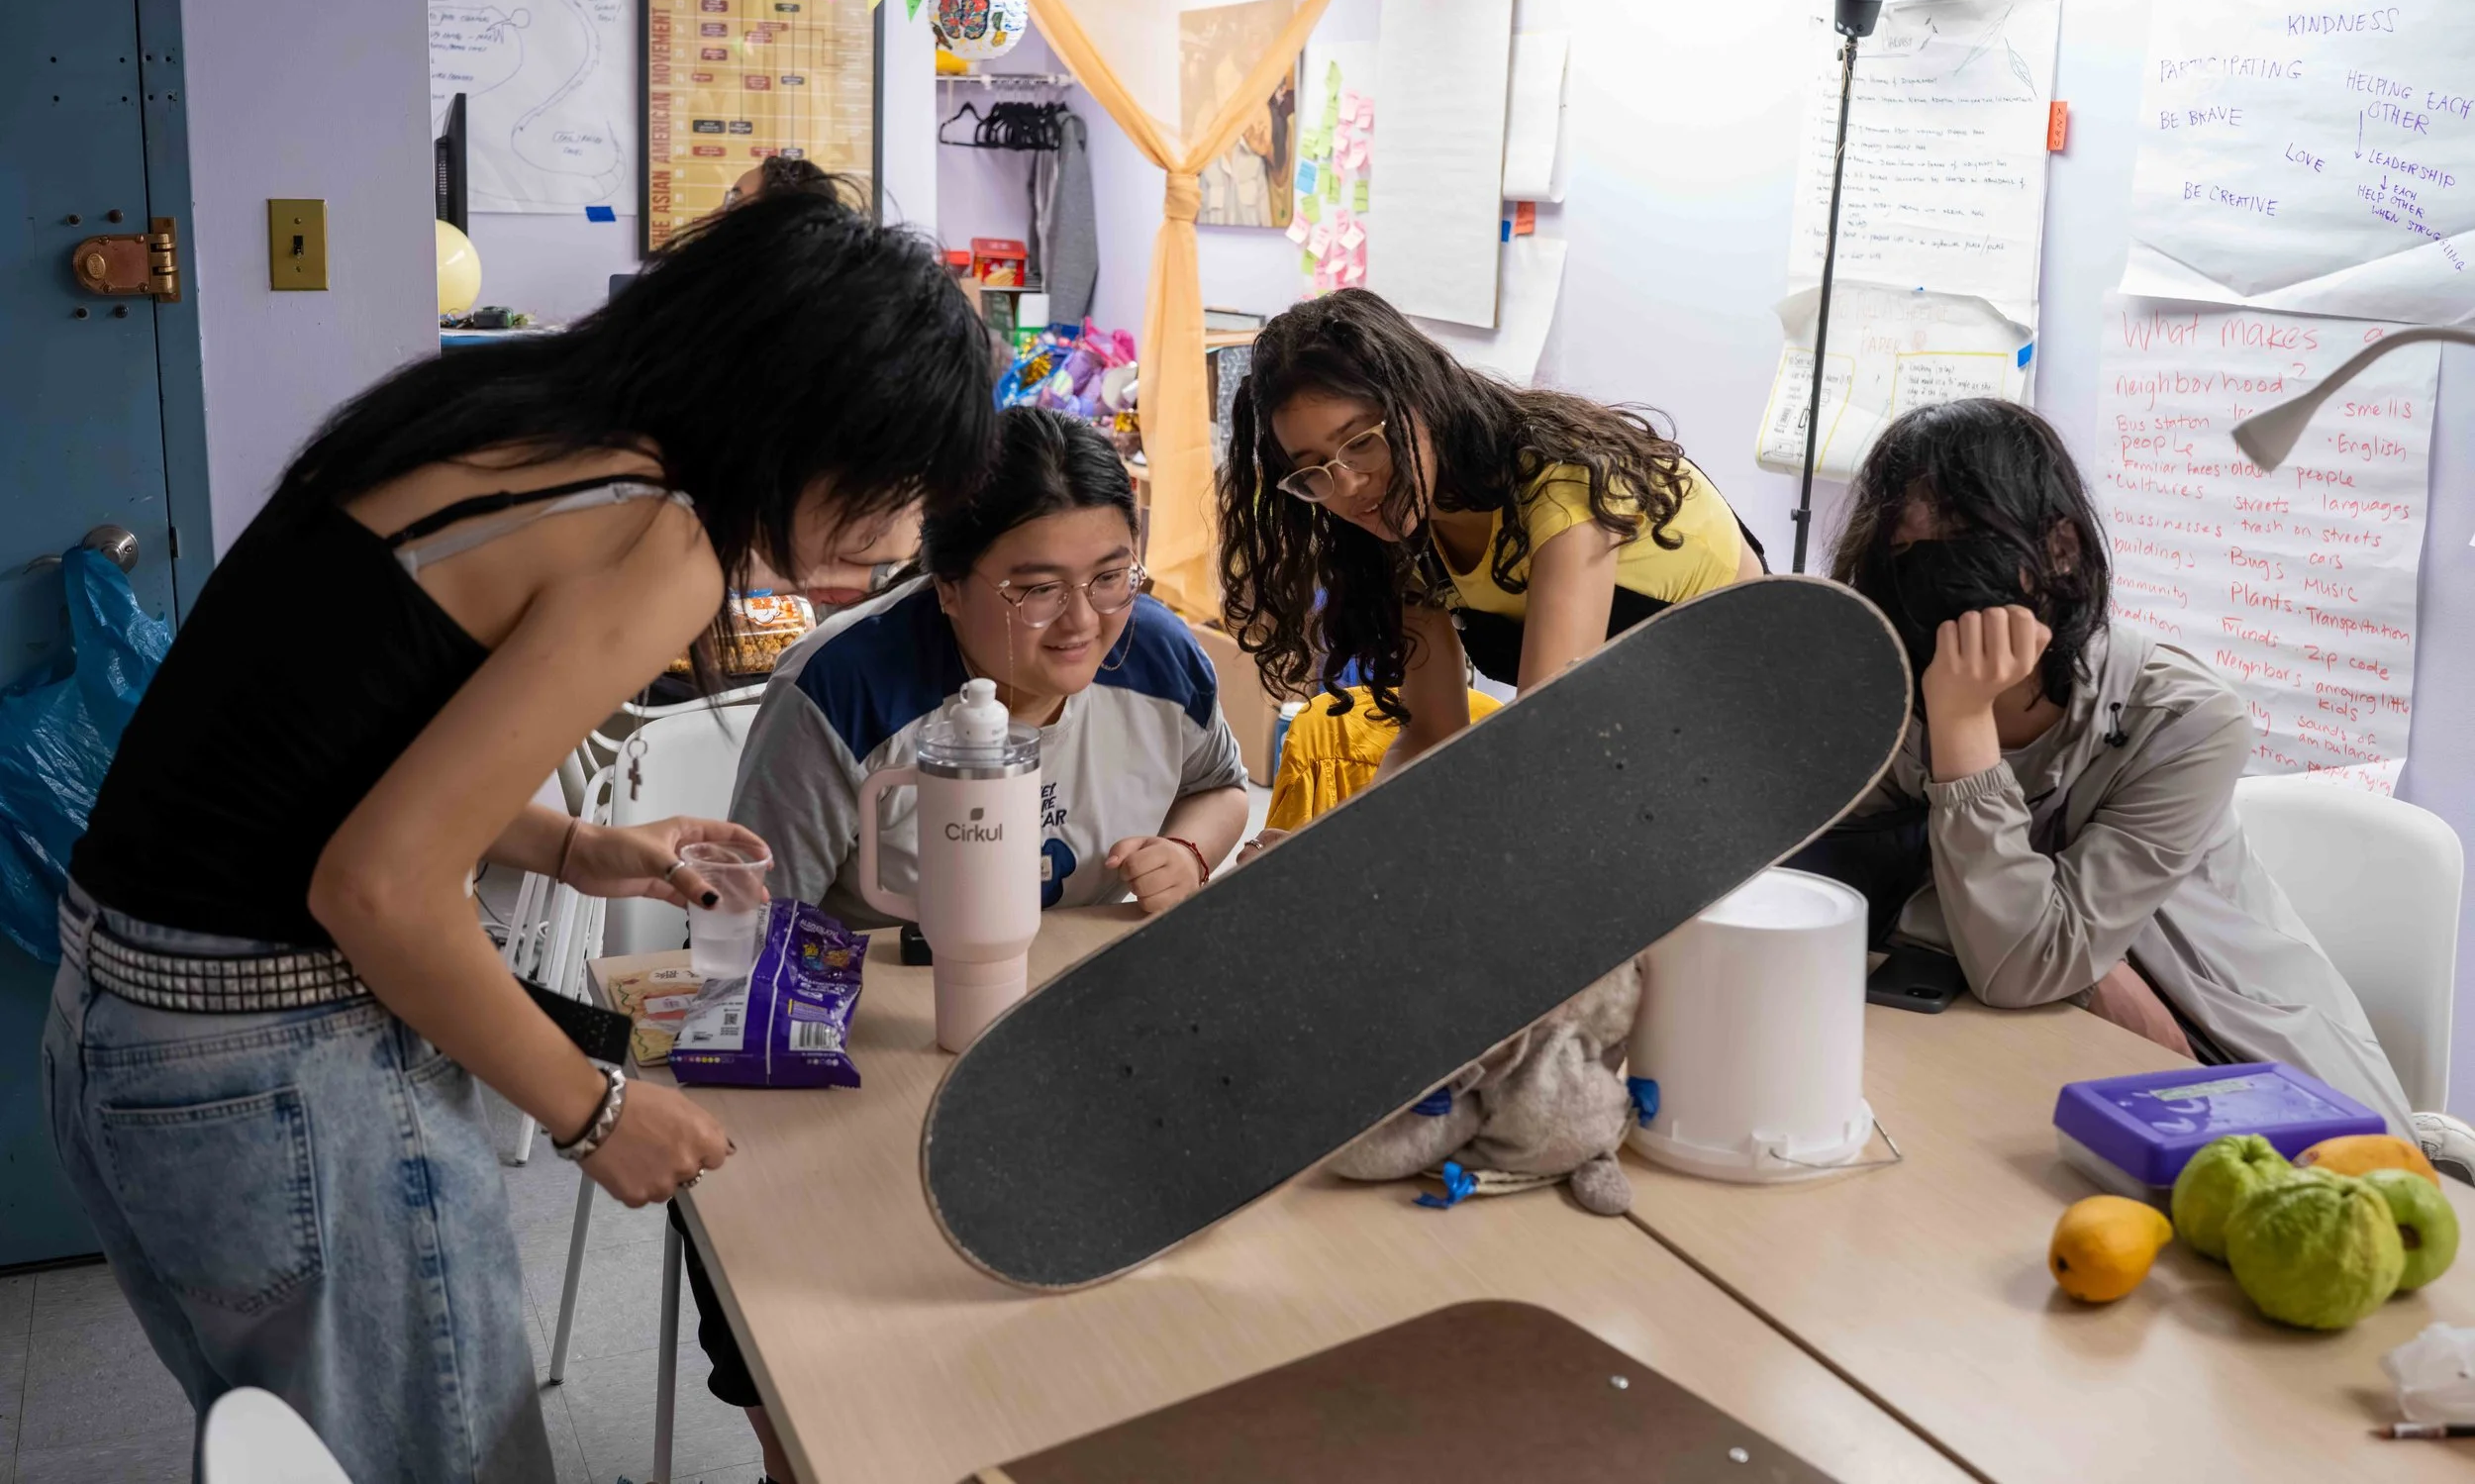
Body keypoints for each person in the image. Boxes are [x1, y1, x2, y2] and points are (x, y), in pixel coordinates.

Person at [45, 181, 996, 1482]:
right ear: (806, 416)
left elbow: (318, 742)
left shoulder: (502, 420)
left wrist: (562, 843)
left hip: (122, 1026)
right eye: (893, 487)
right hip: (273, 1059)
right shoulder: (660, 530)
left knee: (296, 1451)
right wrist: (594, 1108)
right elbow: (376, 886)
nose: (891, 543)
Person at [684, 405, 1249, 1481]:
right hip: (879, 1063)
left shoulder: (1163, 657)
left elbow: (1219, 786)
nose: (1083, 620)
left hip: (1080, 1051)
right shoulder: (846, 688)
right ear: (944, 583)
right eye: (1032, 585)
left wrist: (1186, 848)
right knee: (819, 1322)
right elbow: (751, 924)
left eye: (1111, 574)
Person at [1822, 397, 2474, 1172]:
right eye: (1905, 552)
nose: (1933, 584)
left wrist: (1964, 721)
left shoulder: (2186, 719)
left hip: (2236, 1073)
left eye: (1960, 545)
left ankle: (2433, 1145)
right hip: (2040, 1041)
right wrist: (2099, 972)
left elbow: (2024, 962)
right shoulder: (1899, 692)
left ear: (2059, 549)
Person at [1220, 288, 1764, 785]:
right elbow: (1433, 733)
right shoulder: (1402, 531)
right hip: (1630, 735)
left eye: (1360, 442)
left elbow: (1544, 740)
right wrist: (1347, 844)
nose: (1347, 485)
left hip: (1741, 716)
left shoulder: (1562, 483)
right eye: (1312, 470)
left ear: (1421, 399)